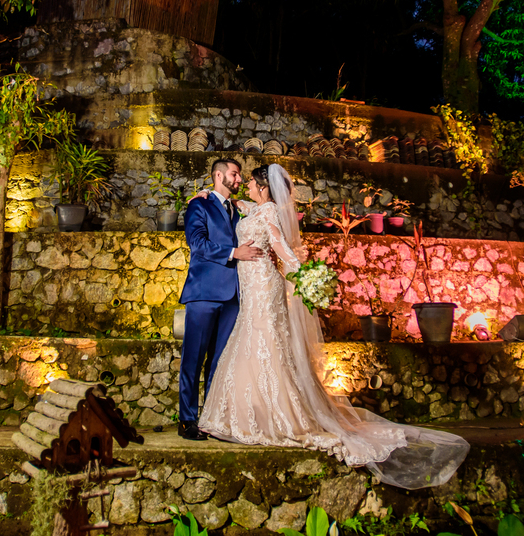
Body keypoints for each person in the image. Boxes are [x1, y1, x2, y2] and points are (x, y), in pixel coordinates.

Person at [198, 164, 470, 489]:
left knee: (267, 341)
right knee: (252, 339)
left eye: (252, 183)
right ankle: (250, 410)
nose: (246, 186)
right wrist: (208, 194)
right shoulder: (255, 207)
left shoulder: (268, 211)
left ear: (264, 187)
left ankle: (275, 416)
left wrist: (306, 276)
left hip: (264, 285)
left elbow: (282, 249)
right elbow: (237, 204)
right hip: (251, 284)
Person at [176, 159, 263, 441]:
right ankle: (187, 420)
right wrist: (234, 253)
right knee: (193, 358)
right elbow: (197, 243)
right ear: (218, 175)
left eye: (240, 176)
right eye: (234, 174)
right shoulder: (199, 205)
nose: (239, 179)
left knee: (220, 361)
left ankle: (211, 418)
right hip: (204, 292)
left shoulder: (238, 209)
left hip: (233, 296)